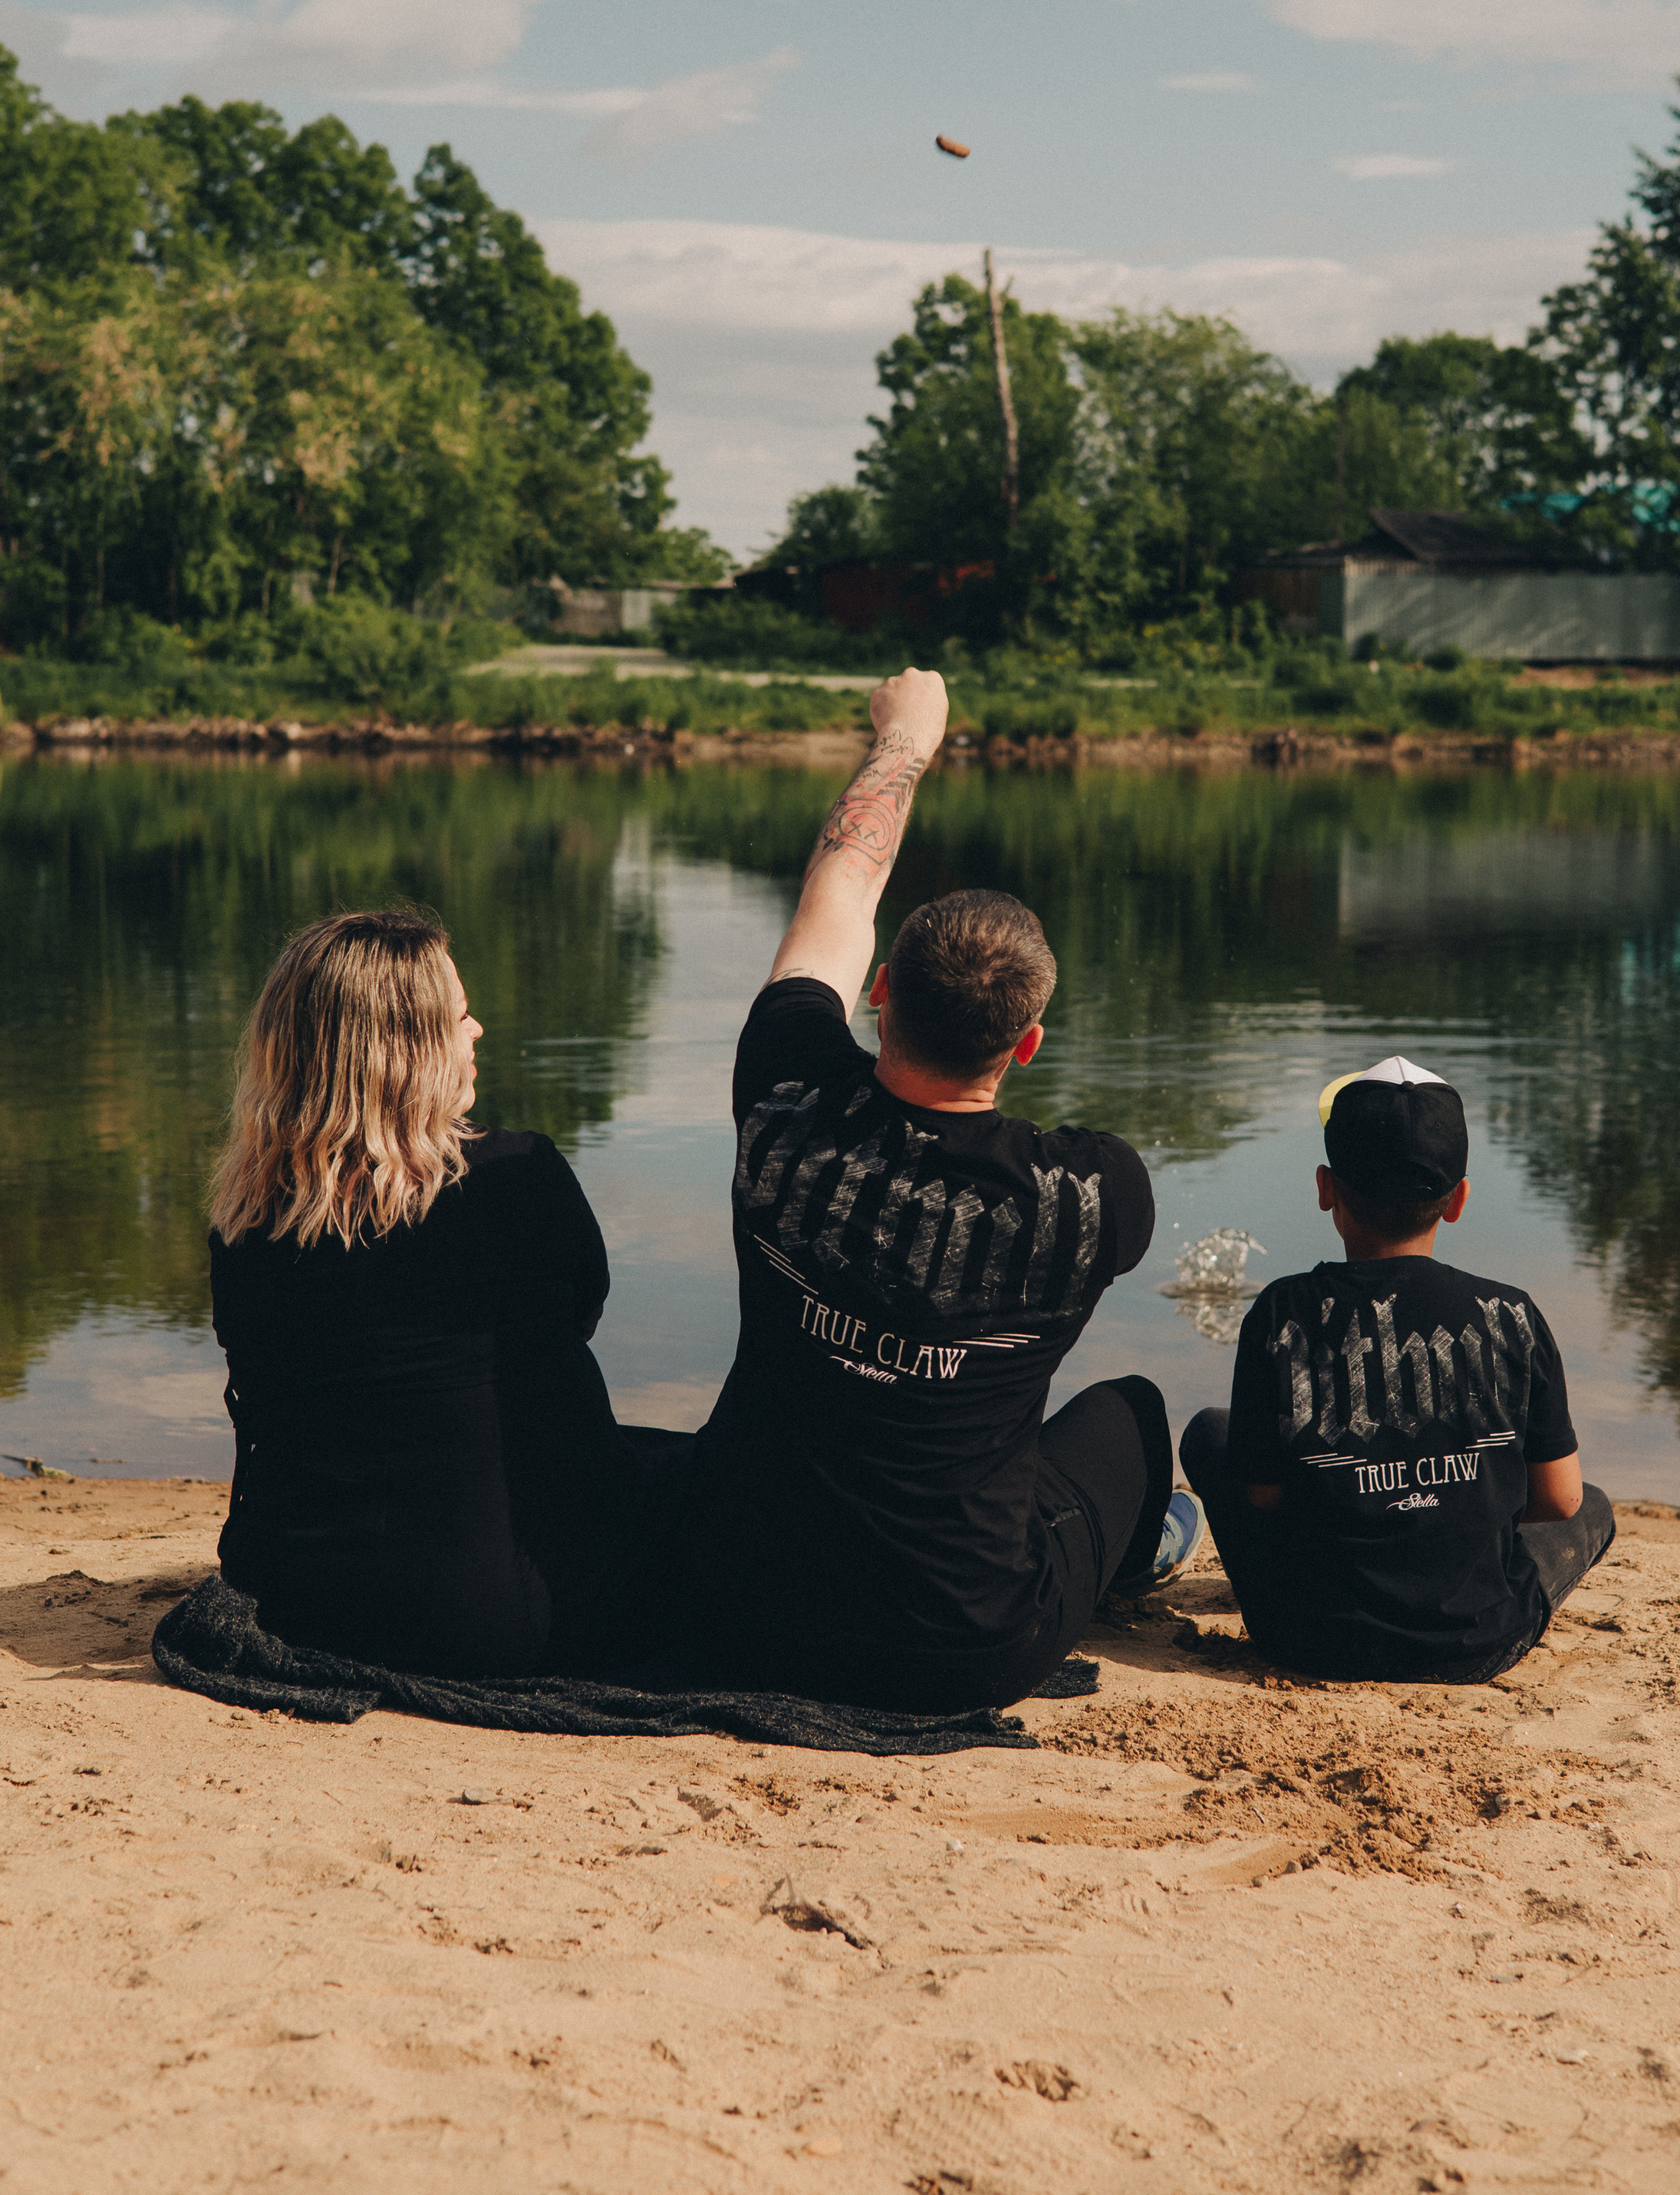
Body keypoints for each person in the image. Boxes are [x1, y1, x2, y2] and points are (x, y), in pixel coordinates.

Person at [675, 666, 1204, 1715]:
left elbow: (840, 890)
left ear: (877, 998)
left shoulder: (785, 1088)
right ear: (1030, 1043)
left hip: (735, 1604)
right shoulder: (1094, 1192)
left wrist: (905, 741)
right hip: (961, 1646)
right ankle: (1134, 1567)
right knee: (1134, 1415)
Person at [208, 907, 630, 1676]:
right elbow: (579, 1318)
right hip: (491, 1621)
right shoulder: (519, 1177)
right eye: (459, 1017)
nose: (476, 1033)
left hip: (293, 1597)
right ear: (409, 1052)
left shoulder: (241, 1220)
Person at [1181, 1055, 1613, 1683]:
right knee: (1593, 1503)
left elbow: (1265, 1495)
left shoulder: (1282, 1311)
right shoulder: (1511, 1313)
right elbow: (1558, 1498)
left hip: (1312, 1638)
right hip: (1477, 1643)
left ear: (1326, 1188)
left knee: (1209, 1433)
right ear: (1459, 1199)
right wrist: (1452, 1507)